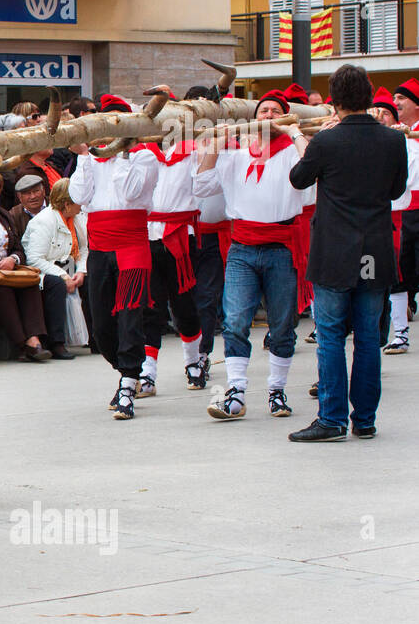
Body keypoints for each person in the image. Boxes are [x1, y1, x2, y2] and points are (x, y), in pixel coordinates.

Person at [288, 65, 408, 441]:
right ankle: (366, 420)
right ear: (369, 96)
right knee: (369, 337)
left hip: (334, 251)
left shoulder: (326, 141)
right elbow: (395, 190)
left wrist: (304, 142)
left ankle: (332, 418)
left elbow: (298, 179)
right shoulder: (393, 141)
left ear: (334, 101)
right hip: (373, 247)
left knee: (330, 336)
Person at [193, 89, 308, 423]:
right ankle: (236, 393)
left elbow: (312, 172)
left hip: (281, 247)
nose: (268, 116)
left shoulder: (292, 152)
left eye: (276, 111)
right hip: (242, 248)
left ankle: (276, 390)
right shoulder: (236, 152)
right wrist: (216, 141)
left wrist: (294, 131)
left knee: (282, 325)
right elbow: (201, 186)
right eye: (263, 111)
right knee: (235, 321)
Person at [69, 94, 158, 420]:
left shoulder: (145, 156)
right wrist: (84, 157)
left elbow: (132, 192)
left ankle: (128, 382)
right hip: (101, 247)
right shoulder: (92, 158)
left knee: (130, 317)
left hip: (132, 244)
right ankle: (127, 372)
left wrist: (120, 151)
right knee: (101, 324)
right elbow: (78, 196)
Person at [139, 127, 206, 397]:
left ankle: (193, 361)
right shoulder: (142, 152)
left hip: (179, 236)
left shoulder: (194, 151)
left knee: (184, 303)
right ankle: (147, 372)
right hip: (146, 236)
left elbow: (205, 183)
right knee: (149, 307)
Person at [0, 170, 51, 363]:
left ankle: (34, 339)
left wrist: (14, 260)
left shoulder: (4, 214)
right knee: (1, 289)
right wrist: (0, 264)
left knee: (30, 283)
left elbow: (18, 246)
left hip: (8, 268)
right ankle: (21, 343)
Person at [21, 176, 87, 359]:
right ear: (66, 203)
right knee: (57, 284)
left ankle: (97, 338)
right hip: (42, 269)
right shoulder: (44, 221)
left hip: (67, 263)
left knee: (92, 279)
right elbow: (34, 258)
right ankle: (57, 342)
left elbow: (83, 248)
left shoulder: (77, 218)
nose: (81, 205)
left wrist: (81, 271)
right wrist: (63, 275)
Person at [379, 82, 419, 354]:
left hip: (415, 209)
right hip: (394, 211)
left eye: (401, 98)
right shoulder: (388, 138)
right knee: (397, 273)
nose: (397, 102)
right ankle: (400, 333)